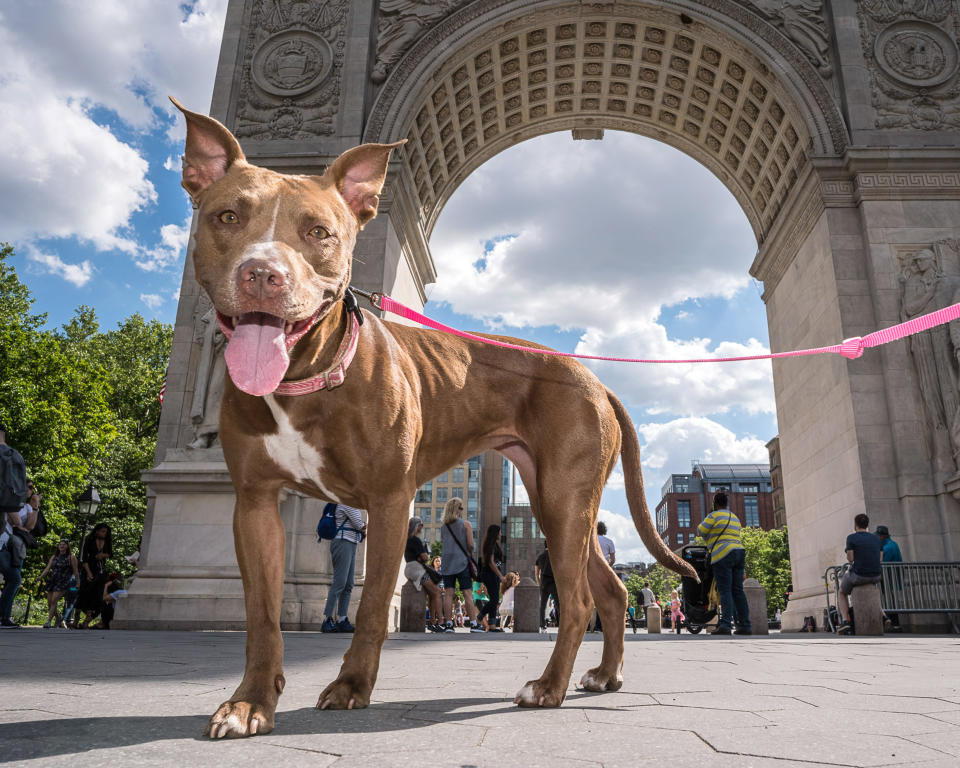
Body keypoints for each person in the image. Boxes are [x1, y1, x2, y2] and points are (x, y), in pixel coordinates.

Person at [698, 491, 751, 636]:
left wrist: (710, 518)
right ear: (727, 503)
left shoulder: (713, 516)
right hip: (739, 552)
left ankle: (726, 625)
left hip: (722, 554)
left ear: (715, 503)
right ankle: (745, 625)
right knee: (738, 591)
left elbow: (700, 530)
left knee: (725, 591)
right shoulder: (734, 517)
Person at [439, 497, 483, 633]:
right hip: (462, 562)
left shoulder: (443, 527)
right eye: (461, 508)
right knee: (467, 594)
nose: (462, 510)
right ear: (456, 509)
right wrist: (469, 551)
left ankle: (448, 624)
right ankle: (474, 624)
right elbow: (470, 545)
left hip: (447, 563)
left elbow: (444, 543)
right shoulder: (466, 524)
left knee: (448, 594)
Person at [321, 503, 367, 633]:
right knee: (339, 582)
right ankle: (327, 619)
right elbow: (360, 525)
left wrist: (362, 526)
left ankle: (342, 619)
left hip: (351, 542)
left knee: (348, 584)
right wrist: (364, 525)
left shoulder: (351, 504)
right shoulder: (347, 503)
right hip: (343, 542)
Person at [836, 513, 883, 635]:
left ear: (855, 524)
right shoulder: (876, 538)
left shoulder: (851, 538)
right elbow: (880, 559)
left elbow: (850, 559)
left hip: (859, 575)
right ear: (867, 525)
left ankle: (845, 621)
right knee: (873, 588)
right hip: (876, 575)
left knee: (841, 592)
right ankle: (883, 615)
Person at [403, 517, 444, 633]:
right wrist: (424, 556)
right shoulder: (415, 540)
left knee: (433, 594)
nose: (422, 528)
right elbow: (425, 557)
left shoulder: (406, 539)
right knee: (437, 592)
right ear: (417, 526)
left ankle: (433, 621)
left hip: (410, 568)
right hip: (416, 569)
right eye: (421, 525)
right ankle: (439, 622)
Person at [74, 523, 112, 629]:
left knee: (96, 596)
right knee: (83, 594)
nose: (105, 534)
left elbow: (110, 554)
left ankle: (87, 620)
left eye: (106, 532)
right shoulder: (89, 540)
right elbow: (84, 558)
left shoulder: (107, 541)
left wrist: (103, 555)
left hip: (101, 571)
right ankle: (76, 619)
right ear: (97, 531)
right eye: (103, 531)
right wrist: (88, 573)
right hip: (89, 568)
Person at [39, 538, 79, 628]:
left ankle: (48, 621)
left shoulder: (71, 557)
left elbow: (75, 571)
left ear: (67, 546)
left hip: (64, 581)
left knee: (54, 601)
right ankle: (59, 618)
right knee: (49, 603)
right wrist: (40, 577)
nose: (61, 546)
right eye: (60, 544)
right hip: (53, 580)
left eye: (64, 544)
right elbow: (47, 568)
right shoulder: (54, 556)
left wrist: (77, 583)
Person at [477, 524, 506, 632]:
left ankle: (492, 625)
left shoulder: (493, 544)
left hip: (492, 574)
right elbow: (491, 562)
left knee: (494, 599)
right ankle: (480, 616)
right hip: (490, 574)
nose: (501, 534)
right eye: (499, 531)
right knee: (494, 600)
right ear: (495, 533)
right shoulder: (491, 545)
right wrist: (500, 576)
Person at [876, 525, 903, 630]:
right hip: (890, 578)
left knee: (888, 601)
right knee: (889, 600)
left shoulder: (888, 547)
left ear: (882, 536)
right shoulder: (892, 544)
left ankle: (894, 624)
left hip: (888, 578)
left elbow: (880, 562)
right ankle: (893, 623)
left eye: (878, 536)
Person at [535, 541, 558, 631]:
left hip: (543, 583)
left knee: (542, 605)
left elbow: (536, 573)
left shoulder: (540, 556)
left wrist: (539, 583)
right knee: (558, 604)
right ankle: (561, 625)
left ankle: (542, 626)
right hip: (553, 583)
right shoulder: (555, 556)